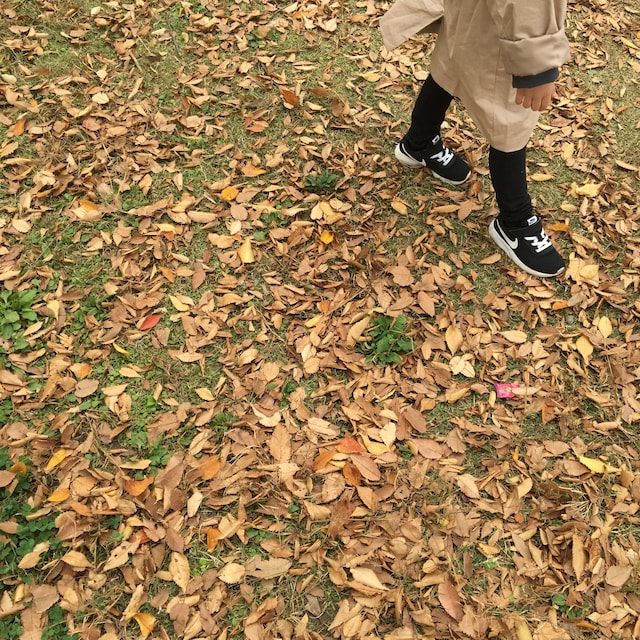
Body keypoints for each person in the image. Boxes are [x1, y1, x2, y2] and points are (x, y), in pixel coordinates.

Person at [380, 0, 571, 278]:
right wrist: (538, 69)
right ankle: (515, 222)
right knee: (510, 122)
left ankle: (419, 142)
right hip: (508, 32)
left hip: (481, 15)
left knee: (451, 66)